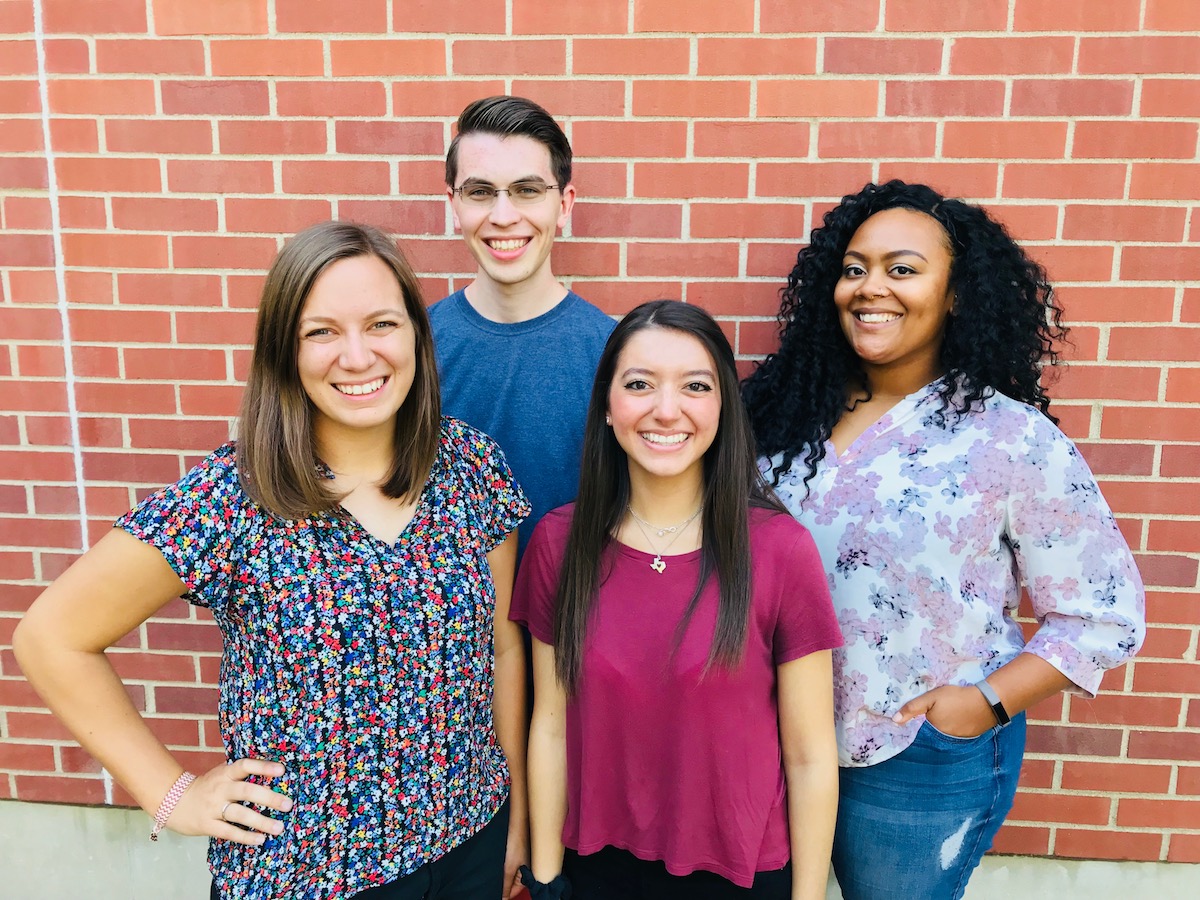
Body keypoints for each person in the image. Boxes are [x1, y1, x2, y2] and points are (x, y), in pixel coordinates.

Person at [14, 221, 531, 900]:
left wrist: (517, 811)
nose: (357, 355)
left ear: (415, 334)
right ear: (284, 351)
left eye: (381, 323)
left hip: (470, 836)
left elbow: (502, 648)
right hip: (307, 874)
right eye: (321, 332)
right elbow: (51, 638)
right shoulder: (232, 499)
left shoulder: (469, 468)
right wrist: (170, 795)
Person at [742, 180, 1146, 900]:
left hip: (917, 758)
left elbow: (1101, 613)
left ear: (957, 294)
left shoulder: (1009, 438)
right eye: (856, 268)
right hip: (770, 739)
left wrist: (982, 704)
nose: (871, 289)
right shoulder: (780, 414)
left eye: (903, 269)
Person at [512, 300, 842, 900]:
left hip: (739, 874)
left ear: (722, 408)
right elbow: (551, 726)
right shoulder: (560, 545)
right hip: (595, 869)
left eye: (695, 385)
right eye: (639, 384)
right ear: (608, 409)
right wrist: (546, 875)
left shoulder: (778, 550)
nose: (667, 410)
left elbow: (811, 754)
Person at [431, 95, 615, 559]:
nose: (503, 215)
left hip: (574, 621)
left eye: (527, 190)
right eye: (480, 192)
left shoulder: (616, 352)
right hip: (444, 625)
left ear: (564, 203)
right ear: (454, 204)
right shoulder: (408, 348)